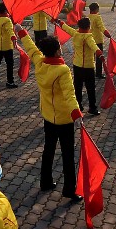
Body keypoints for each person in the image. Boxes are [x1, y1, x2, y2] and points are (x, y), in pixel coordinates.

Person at [30, 35, 84, 202]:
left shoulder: (40, 62)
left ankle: (45, 181)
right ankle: (69, 189)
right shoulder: (62, 70)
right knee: (68, 154)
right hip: (63, 119)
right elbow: (70, 94)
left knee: (49, 149)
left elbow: (31, 49)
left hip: (48, 116)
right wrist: (76, 113)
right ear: (56, 51)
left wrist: (21, 32)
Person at [54, 17, 102, 115]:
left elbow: (66, 28)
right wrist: (99, 53)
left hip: (77, 65)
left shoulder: (75, 33)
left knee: (78, 87)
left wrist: (59, 21)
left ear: (79, 26)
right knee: (91, 88)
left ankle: (78, 105)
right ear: (89, 27)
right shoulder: (88, 37)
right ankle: (92, 107)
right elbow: (93, 46)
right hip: (88, 67)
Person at [87, 3, 111, 78]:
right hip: (98, 40)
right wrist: (107, 33)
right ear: (96, 9)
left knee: (91, 58)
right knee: (99, 58)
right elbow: (101, 27)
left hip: (90, 39)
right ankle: (99, 73)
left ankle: (91, 72)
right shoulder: (97, 17)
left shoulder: (88, 17)